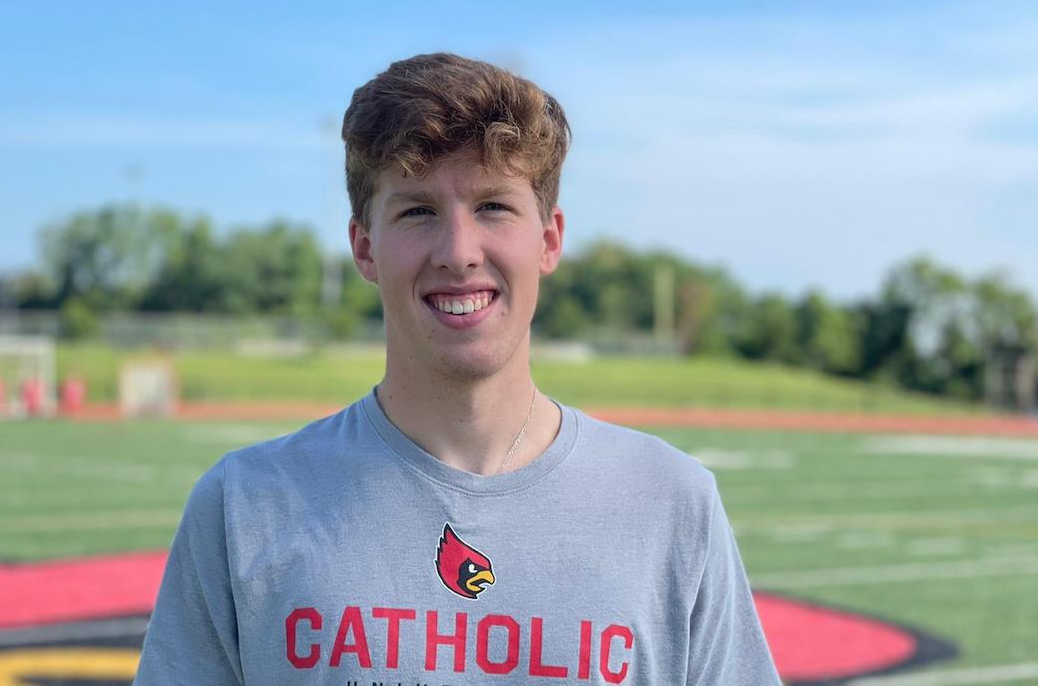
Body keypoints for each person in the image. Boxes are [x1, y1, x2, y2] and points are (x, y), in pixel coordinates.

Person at [135, 53, 780, 685]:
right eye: (418, 211)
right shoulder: (243, 505)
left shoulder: (672, 504)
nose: (459, 253)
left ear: (549, 239)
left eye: (494, 206)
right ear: (364, 246)